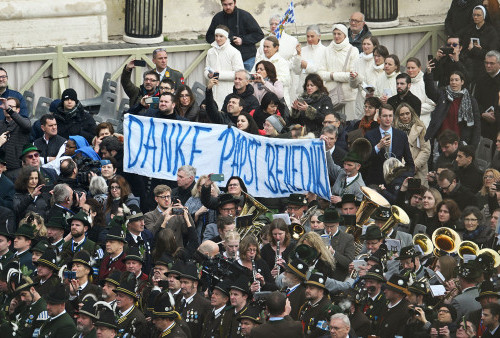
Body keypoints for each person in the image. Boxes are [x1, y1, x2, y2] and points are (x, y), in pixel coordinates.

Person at [425, 68, 481, 149]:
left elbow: (477, 124)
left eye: (456, 80)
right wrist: (429, 74)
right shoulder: (443, 95)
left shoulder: (470, 100)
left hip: (459, 142)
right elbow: (430, 92)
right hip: (441, 140)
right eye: (451, 80)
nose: (454, 82)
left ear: (462, 82)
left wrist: (473, 145)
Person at [205, 0, 264, 72]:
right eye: (225, 5)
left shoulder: (245, 15)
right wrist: (222, 41)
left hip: (247, 59)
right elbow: (209, 37)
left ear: (235, 3)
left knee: (249, 82)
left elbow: (259, 34)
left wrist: (242, 40)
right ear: (221, 4)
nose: (228, 7)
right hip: (226, 61)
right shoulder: (218, 17)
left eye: (230, 4)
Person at [365, 103, 415, 185]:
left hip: (396, 182)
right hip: (375, 181)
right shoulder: (369, 135)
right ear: (379, 117)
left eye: (390, 116)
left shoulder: (401, 135)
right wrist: (378, 147)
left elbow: (410, 162)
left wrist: (405, 177)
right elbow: (365, 160)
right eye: (385, 116)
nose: (388, 119)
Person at [318, 24, 358, 121]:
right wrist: (336, 76)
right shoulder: (327, 50)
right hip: (331, 95)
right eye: (334, 33)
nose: (336, 36)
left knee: (349, 123)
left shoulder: (353, 50)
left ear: (344, 35)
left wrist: (332, 75)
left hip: (348, 96)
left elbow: (352, 75)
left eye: (339, 34)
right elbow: (320, 73)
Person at [205, 24, 245, 108]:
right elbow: (206, 69)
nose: (218, 39)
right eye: (216, 36)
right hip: (212, 89)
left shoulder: (234, 52)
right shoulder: (210, 52)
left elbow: (239, 74)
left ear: (226, 37)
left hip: (228, 90)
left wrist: (219, 75)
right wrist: (208, 75)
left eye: (221, 36)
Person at [461, 5, 499, 84]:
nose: (475, 17)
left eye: (478, 15)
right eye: (474, 15)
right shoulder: (469, 29)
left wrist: (475, 50)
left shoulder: (491, 32)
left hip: (484, 65)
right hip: (470, 62)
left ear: (484, 16)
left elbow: (492, 53)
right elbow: (464, 48)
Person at [393, 102, 431, 183]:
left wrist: (414, 166)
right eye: (402, 114)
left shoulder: (420, 127)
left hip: (419, 169)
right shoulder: (394, 131)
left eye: (407, 113)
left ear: (411, 113)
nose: (405, 117)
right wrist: (405, 168)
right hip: (401, 170)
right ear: (398, 116)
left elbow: (426, 150)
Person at [252, 36, 291, 107]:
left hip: (277, 99)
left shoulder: (282, 62)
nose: (265, 49)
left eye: (268, 47)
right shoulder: (259, 60)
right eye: (264, 47)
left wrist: (267, 79)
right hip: (259, 97)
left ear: (276, 48)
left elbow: (286, 80)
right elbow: (252, 75)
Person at [320, 208, 355, 281]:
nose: (329, 229)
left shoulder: (347, 238)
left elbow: (348, 262)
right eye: (326, 226)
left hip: (337, 279)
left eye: (332, 226)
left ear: (338, 224)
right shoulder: (316, 235)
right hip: (319, 276)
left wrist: (334, 253)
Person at [293, 24, 327, 98]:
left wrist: (307, 66)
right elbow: (296, 71)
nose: (309, 39)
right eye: (308, 36)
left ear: (319, 36)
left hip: (319, 91)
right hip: (303, 90)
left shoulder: (325, 51)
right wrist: (298, 55)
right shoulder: (303, 50)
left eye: (312, 36)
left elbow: (321, 70)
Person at [350, 35, 380, 119]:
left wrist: (360, 79)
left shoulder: (377, 61)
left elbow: (377, 82)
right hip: (360, 100)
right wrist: (353, 78)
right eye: (364, 44)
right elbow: (353, 86)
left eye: (368, 44)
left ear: (374, 46)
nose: (365, 46)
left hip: (374, 99)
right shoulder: (357, 61)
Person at [299, 271, 336, 337]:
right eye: (307, 287)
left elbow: (320, 333)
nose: (307, 290)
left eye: (311, 288)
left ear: (321, 291)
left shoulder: (327, 308)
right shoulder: (306, 305)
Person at [474, 50, 500, 140]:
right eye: (486, 63)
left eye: (492, 63)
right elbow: (475, 100)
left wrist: (496, 115)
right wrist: (482, 113)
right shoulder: (481, 79)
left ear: (499, 64)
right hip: (484, 125)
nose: (488, 66)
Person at [0, 96, 31, 170]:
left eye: (11, 107)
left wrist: (9, 109)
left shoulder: (24, 122)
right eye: (6, 106)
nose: (7, 108)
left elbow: (26, 126)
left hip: (18, 168)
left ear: (18, 110)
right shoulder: (0, 124)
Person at [114, 272, 149, 336]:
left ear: (131, 299)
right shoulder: (114, 312)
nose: (117, 298)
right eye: (117, 295)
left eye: (121, 296)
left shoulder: (138, 320)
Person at [406, 57, 437, 124]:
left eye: (413, 68)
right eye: (408, 68)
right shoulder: (404, 83)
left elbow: (431, 105)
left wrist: (413, 109)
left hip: (423, 121)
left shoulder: (425, 82)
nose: (410, 70)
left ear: (419, 68)